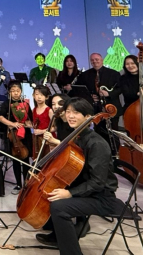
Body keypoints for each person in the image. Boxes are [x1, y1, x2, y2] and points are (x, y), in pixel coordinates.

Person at [35, 98, 119, 254]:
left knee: (59, 206)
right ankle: (58, 236)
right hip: (87, 191)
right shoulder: (77, 136)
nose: (70, 116)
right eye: (68, 112)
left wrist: (69, 193)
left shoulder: (96, 144)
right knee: (50, 193)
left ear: (87, 117)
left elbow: (98, 182)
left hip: (101, 197)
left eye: (76, 112)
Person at [0, 80, 32, 195]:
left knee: (26, 159)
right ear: (9, 92)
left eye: (18, 91)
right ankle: (18, 184)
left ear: (21, 91)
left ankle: (26, 184)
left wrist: (26, 124)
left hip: (25, 135)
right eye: (13, 91)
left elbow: (30, 120)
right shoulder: (6, 104)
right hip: (12, 136)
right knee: (16, 160)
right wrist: (12, 124)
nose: (16, 93)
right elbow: (0, 118)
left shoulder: (26, 104)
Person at [78, 53, 121, 131]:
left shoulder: (114, 73)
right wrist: (90, 97)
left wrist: (108, 94)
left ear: (102, 60)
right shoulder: (84, 75)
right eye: (92, 60)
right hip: (95, 109)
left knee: (113, 132)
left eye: (97, 59)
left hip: (111, 108)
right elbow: (81, 90)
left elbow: (120, 88)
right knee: (98, 132)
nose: (94, 61)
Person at [32, 85, 53, 160]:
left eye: (42, 95)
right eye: (37, 94)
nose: (39, 97)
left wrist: (42, 131)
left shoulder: (49, 110)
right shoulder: (34, 109)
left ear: (46, 97)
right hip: (37, 139)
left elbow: (55, 127)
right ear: (33, 96)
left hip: (47, 139)